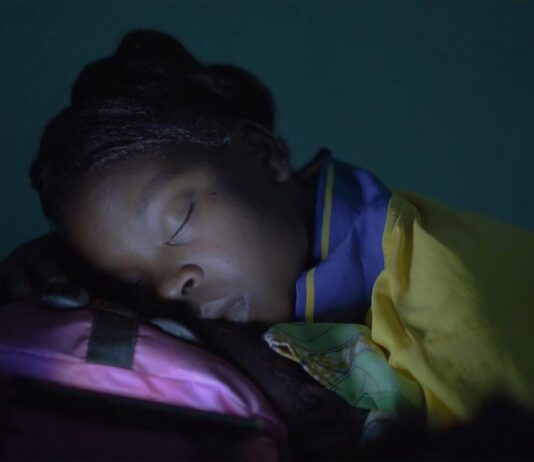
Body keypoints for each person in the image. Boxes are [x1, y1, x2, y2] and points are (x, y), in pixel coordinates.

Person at [3, 29, 534, 430]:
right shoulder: (296, 254)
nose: (170, 288)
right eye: (136, 284)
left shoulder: (449, 312)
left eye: (179, 221)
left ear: (264, 155)